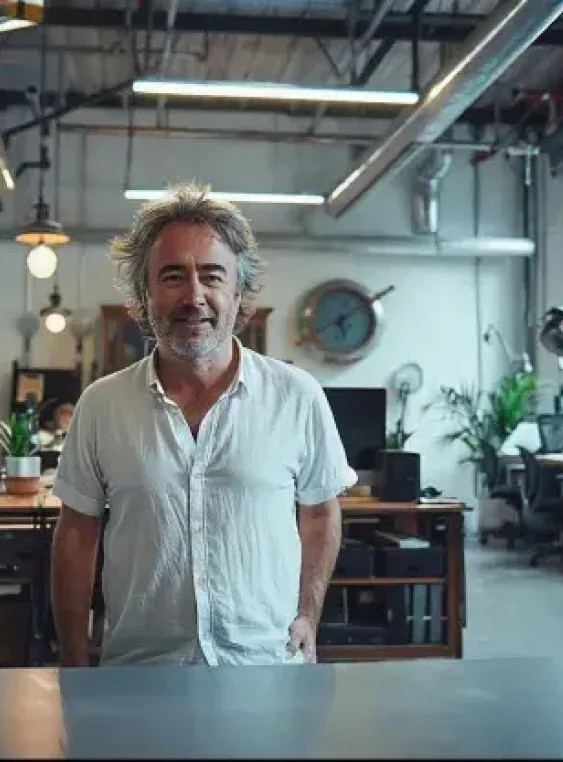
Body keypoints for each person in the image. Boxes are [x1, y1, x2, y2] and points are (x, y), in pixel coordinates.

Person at [50, 182, 356, 668]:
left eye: (212, 276)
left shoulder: (297, 396)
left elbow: (320, 512)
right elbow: (76, 532)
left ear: (239, 291)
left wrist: (308, 613)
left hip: (266, 666)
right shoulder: (101, 405)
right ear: (144, 293)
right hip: (142, 669)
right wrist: (72, 654)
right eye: (173, 277)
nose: (194, 296)